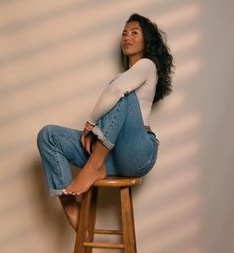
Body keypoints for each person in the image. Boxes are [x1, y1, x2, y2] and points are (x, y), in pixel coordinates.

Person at [37, 13, 174, 231]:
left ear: (146, 40)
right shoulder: (127, 76)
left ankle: (95, 165)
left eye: (134, 33)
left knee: (121, 91)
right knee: (49, 135)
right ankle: (74, 212)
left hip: (138, 152)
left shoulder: (148, 65)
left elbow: (118, 90)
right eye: (124, 33)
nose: (127, 37)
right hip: (113, 154)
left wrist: (91, 122)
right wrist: (98, 131)